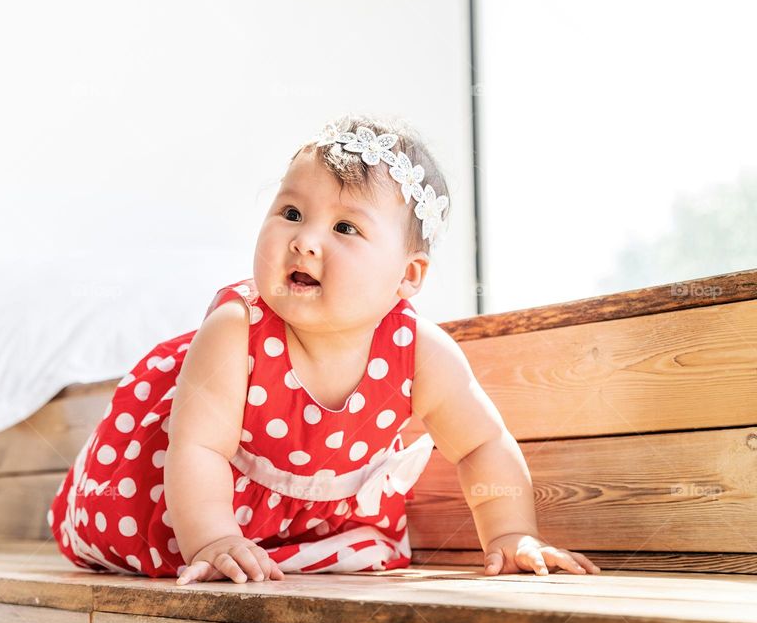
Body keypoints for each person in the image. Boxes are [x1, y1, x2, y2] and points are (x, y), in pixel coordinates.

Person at [48, 113, 601, 585]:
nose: (305, 239)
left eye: (344, 227)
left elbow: (481, 444)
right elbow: (198, 449)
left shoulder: (419, 353)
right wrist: (212, 538)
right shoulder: (236, 331)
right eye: (291, 213)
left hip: (313, 524)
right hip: (192, 505)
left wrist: (510, 532)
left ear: (407, 276)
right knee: (197, 534)